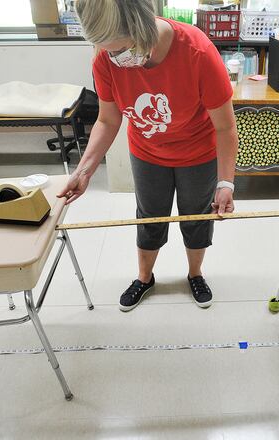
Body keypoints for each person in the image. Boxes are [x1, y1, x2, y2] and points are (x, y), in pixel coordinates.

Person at [58, 0, 238, 312]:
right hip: (147, 151)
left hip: (197, 151)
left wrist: (226, 182)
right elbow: (108, 119)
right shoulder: (104, 58)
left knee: (196, 216)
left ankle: (195, 274)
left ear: (143, 27)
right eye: (109, 51)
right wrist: (85, 170)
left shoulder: (197, 51)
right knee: (149, 215)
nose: (116, 58)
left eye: (122, 49)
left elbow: (225, 127)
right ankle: (144, 277)